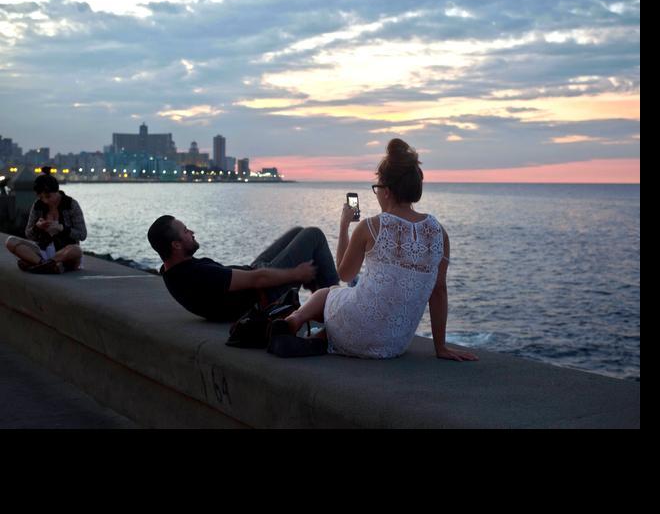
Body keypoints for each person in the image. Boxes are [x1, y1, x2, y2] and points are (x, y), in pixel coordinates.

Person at [274, 139, 478, 361]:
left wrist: (344, 226)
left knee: (328, 293)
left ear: (387, 191)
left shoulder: (371, 226)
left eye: (377, 188)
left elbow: (344, 274)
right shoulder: (439, 232)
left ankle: (292, 322)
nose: (377, 193)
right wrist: (441, 348)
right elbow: (439, 291)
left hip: (357, 325)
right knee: (350, 303)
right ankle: (320, 339)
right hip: (393, 344)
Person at [147, 216, 339, 322]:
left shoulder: (173, 271)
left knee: (298, 231)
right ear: (176, 245)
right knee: (314, 235)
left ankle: (318, 302)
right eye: (186, 231)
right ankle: (337, 311)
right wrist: (297, 274)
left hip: (255, 278)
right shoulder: (196, 275)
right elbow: (257, 280)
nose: (192, 232)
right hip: (265, 294)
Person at [4, 173, 86, 274]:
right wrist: (37, 227)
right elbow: (28, 234)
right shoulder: (38, 205)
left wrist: (61, 228)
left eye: (48, 196)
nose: (45, 201)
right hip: (42, 251)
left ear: (56, 191)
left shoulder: (71, 205)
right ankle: (46, 265)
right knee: (10, 241)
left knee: (76, 250)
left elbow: (82, 234)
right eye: (41, 197)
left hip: (65, 253)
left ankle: (39, 265)